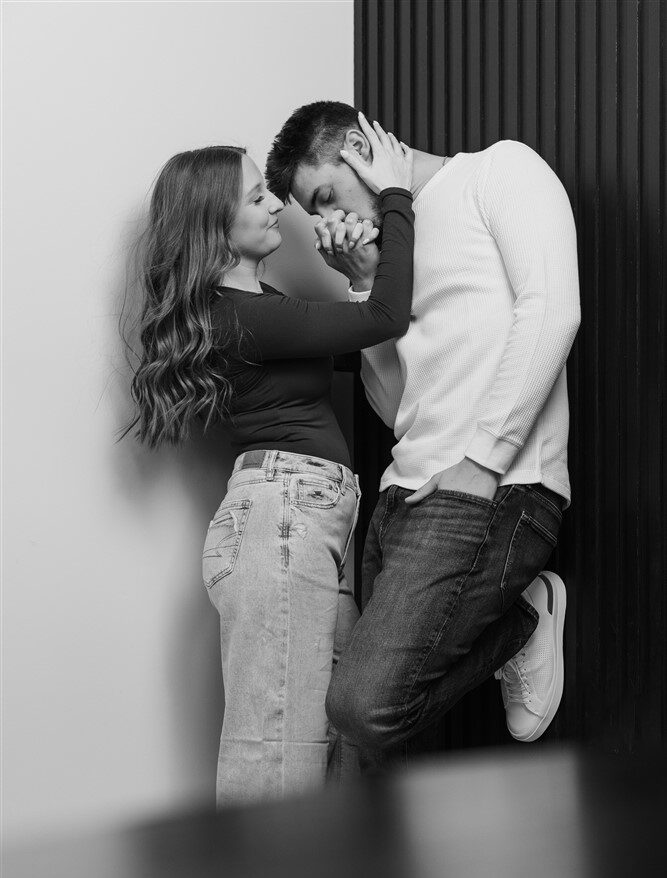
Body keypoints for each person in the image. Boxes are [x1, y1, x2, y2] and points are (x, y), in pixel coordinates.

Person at [266, 101, 581, 757]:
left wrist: (482, 464)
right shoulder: (391, 247)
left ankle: (521, 621)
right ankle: (513, 622)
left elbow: (553, 312)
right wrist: (362, 285)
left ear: (359, 148)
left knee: (360, 710)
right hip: (400, 496)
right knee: (366, 743)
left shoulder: (498, 171)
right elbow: (396, 409)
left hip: (494, 488)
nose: (327, 223)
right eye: (315, 213)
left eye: (325, 197)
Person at [122, 123, 414, 803]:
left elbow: (357, 345)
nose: (277, 205)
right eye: (257, 197)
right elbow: (385, 318)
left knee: (337, 744)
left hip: (304, 523)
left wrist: (356, 273)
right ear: (216, 228)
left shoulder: (259, 311)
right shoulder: (240, 318)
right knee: (277, 757)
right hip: (283, 522)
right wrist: (396, 195)